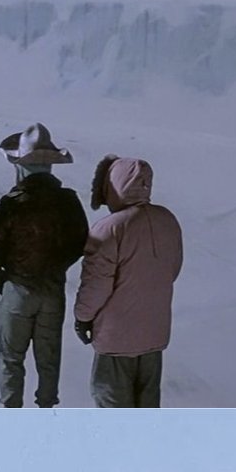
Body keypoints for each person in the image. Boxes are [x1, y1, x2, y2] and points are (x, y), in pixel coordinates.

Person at [0, 124, 88, 408]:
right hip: (53, 289)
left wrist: (1, 280)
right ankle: (46, 416)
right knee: (49, 360)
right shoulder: (69, 202)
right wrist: (57, 267)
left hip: (17, 289)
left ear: (19, 165)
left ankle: (12, 416)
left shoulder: (12, 204)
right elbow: (80, 243)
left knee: (11, 359)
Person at [74, 155, 183, 408]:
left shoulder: (109, 228)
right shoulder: (167, 220)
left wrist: (82, 317)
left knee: (114, 411)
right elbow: (173, 271)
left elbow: (96, 285)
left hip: (115, 340)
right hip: (154, 335)